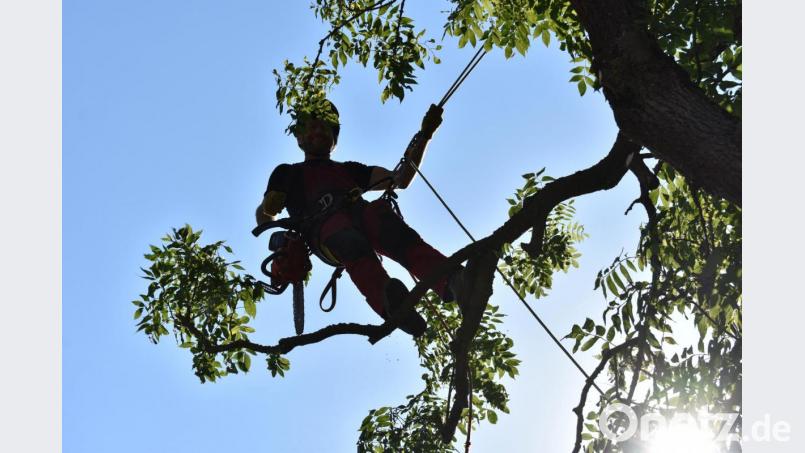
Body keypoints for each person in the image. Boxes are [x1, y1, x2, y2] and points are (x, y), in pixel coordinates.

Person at [256, 101, 460, 337]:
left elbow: (399, 179)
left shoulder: (350, 170)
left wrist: (425, 136)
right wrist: (276, 234)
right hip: (326, 233)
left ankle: (451, 279)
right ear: (299, 138)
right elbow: (265, 212)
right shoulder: (288, 173)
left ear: (334, 141)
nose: (319, 130)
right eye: (312, 127)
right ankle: (389, 301)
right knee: (347, 238)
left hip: (362, 217)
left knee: (381, 217)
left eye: (325, 127)